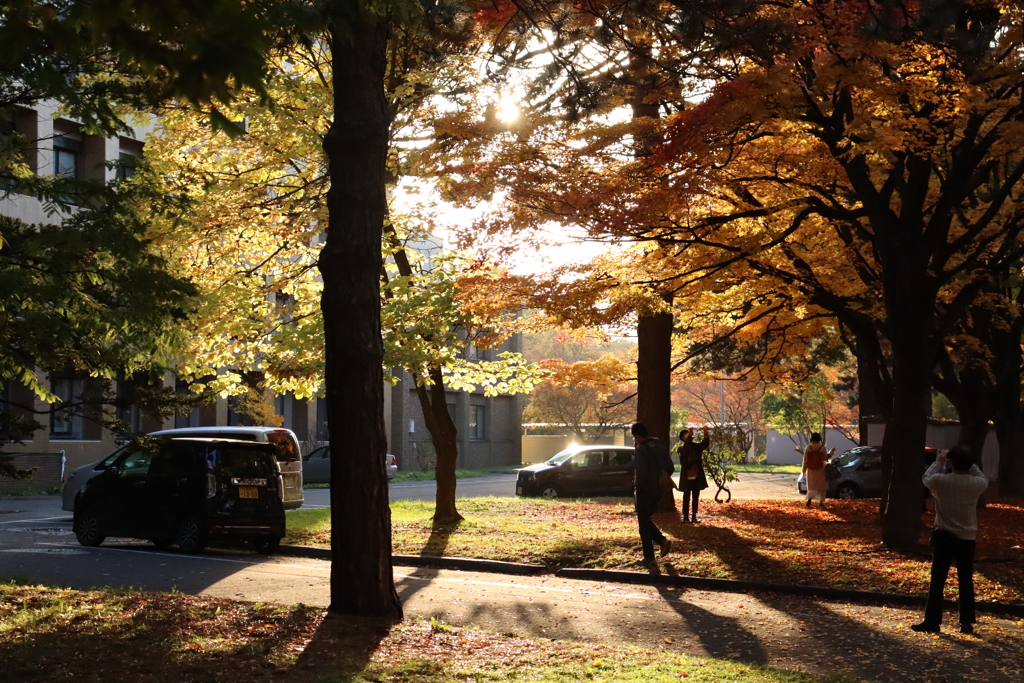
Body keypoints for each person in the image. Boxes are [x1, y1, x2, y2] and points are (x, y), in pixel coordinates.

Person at [912, 446, 988, 635]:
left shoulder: (941, 481)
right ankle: (966, 622)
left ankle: (932, 621)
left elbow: (926, 478)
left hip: (944, 536)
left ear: (951, 463)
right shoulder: (976, 484)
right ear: (970, 464)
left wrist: (939, 461)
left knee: (938, 580)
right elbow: (982, 477)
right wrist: (970, 464)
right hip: (967, 538)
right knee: (965, 580)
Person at [630, 422, 674, 567]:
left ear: (636, 435)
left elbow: (641, 472)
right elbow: (671, 467)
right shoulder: (661, 448)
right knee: (646, 520)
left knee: (643, 524)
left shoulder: (641, 450)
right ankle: (661, 541)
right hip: (659, 490)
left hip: (645, 490)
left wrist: (637, 487)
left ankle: (649, 556)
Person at [677, 426, 711, 523]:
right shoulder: (681, 448)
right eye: (686, 434)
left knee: (695, 497)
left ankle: (694, 516)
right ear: (683, 438)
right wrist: (690, 437)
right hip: (686, 477)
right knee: (686, 497)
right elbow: (685, 450)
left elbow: (704, 444)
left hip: (697, 476)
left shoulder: (696, 447)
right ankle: (686, 517)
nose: (689, 435)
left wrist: (706, 434)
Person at [802, 433, 834, 508]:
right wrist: (831, 453)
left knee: (811, 486)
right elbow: (825, 458)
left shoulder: (808, 448)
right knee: (821, 486)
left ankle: (809, 499)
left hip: (811, 470)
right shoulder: (822, 447)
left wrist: (804, 471)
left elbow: (805, 460)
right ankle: (821, 502)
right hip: (820, 469)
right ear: (819, 438)